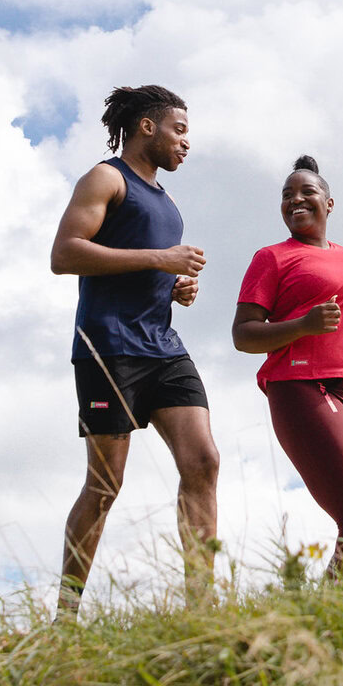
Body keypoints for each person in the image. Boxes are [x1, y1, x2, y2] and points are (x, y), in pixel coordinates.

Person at [49, 84, 220, 615]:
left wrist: (174, 286)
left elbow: (150, 268)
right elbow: (65, 254)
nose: (186, 143)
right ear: (148, 126)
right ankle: (66, 613)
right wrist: (159, 259)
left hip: (163, 347)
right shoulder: (106, 178)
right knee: (105, 484)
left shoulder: (168, 202)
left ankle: (200, 610)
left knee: (204, 461)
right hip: (108, 346)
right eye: (180, 129)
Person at [232, 155, 343, 575]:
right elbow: (243, 335)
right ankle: (331, 624)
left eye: (307, 192)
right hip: (303, 386)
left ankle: (341, 612)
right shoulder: (272, 258)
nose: (295, 200)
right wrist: (303, 325)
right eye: (287, 195)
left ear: (329, 203)